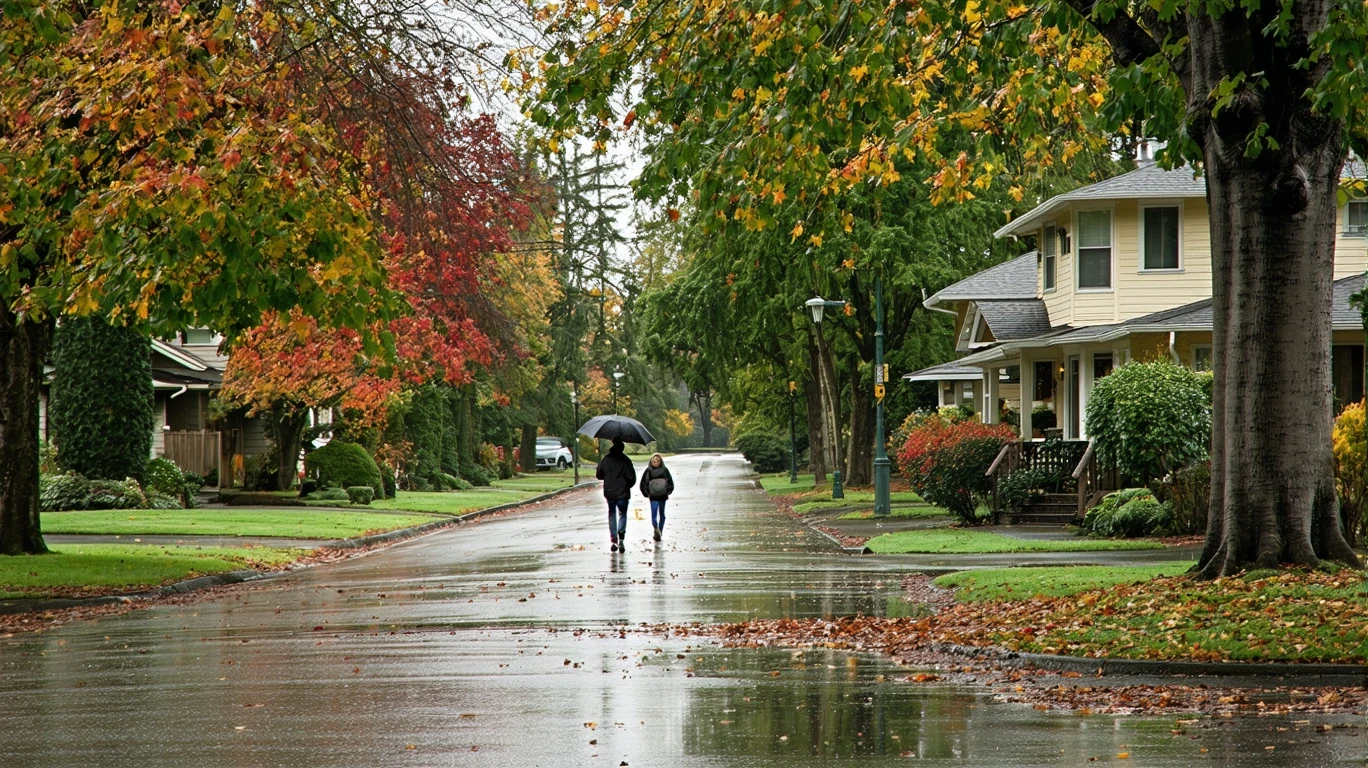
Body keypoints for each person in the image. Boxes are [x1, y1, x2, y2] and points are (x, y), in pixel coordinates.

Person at [595, 437, 636, 552]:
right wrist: (627, 485)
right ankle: (621, 536)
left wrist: (607, 476)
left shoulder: (606, 460)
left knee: (612, 514)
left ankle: (613, 539)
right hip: (623, 492)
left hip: (610, 492)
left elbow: (599, 475)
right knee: (623, 513)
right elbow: (631, 478)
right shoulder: (626, 460)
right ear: (622, 448)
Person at [638, 453, 674, 542]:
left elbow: (670, 483)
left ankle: (659, 531)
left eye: (658, 461)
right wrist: (647, 494)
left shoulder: (663, 470)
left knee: (661, 514)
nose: (656, 462)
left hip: (661, 496)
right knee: (656, 515)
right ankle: (657, 529)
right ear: (651, 461)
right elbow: (643, 484)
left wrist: (668, 492)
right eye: (654, 460)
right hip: (654, 496)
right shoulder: (649, 471)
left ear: (660, 461)